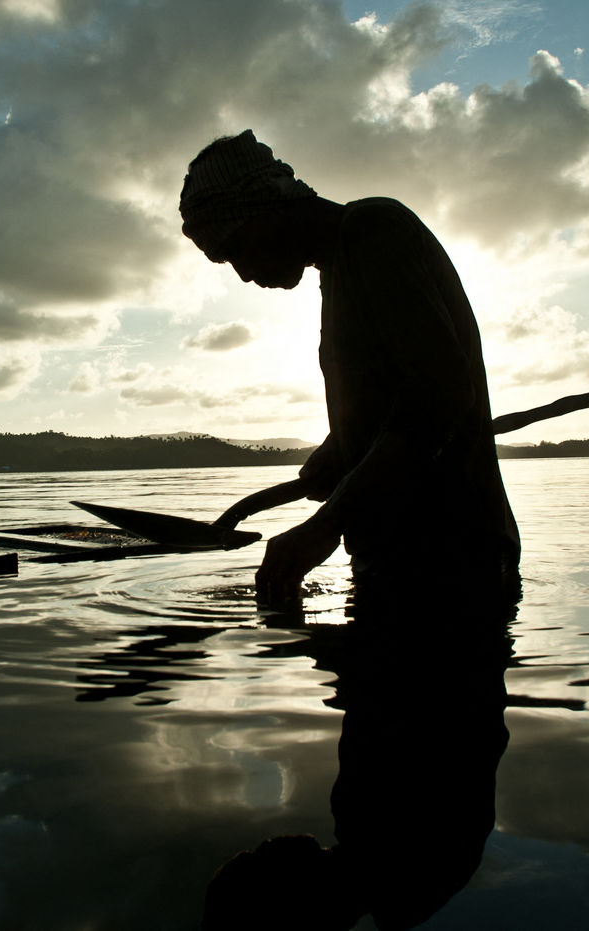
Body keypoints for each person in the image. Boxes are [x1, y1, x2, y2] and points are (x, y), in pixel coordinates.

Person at [178, 130, 519, 604]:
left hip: (451, 560)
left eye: (237, 248)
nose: (244, 273)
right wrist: (339, 449)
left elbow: (439, 396)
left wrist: (325, 524)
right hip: (396, 561)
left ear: (268, 207)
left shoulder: (374, 231)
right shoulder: (339, 266)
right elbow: (391, 402)